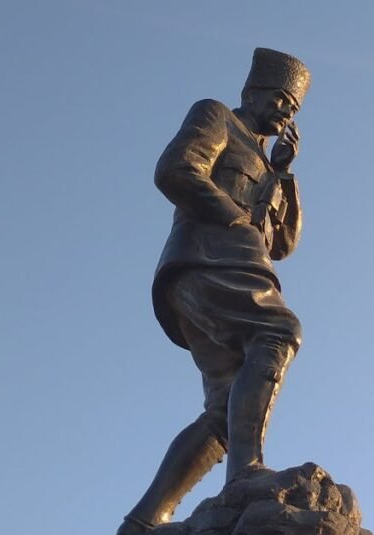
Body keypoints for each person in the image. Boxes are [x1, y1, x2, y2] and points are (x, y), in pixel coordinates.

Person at [117, 48, 311, 535]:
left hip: (241, 263)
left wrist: (282, 174)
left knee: (224, 412)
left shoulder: (269, 163)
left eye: (293, 108)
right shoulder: (217, 116)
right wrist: (233, 217)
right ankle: (247, 474)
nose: (286, 113)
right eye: (281, 100)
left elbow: (284, 243)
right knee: (278, 330)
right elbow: (175, 170)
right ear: (252, 92)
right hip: (207, 256)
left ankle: (143, 521)